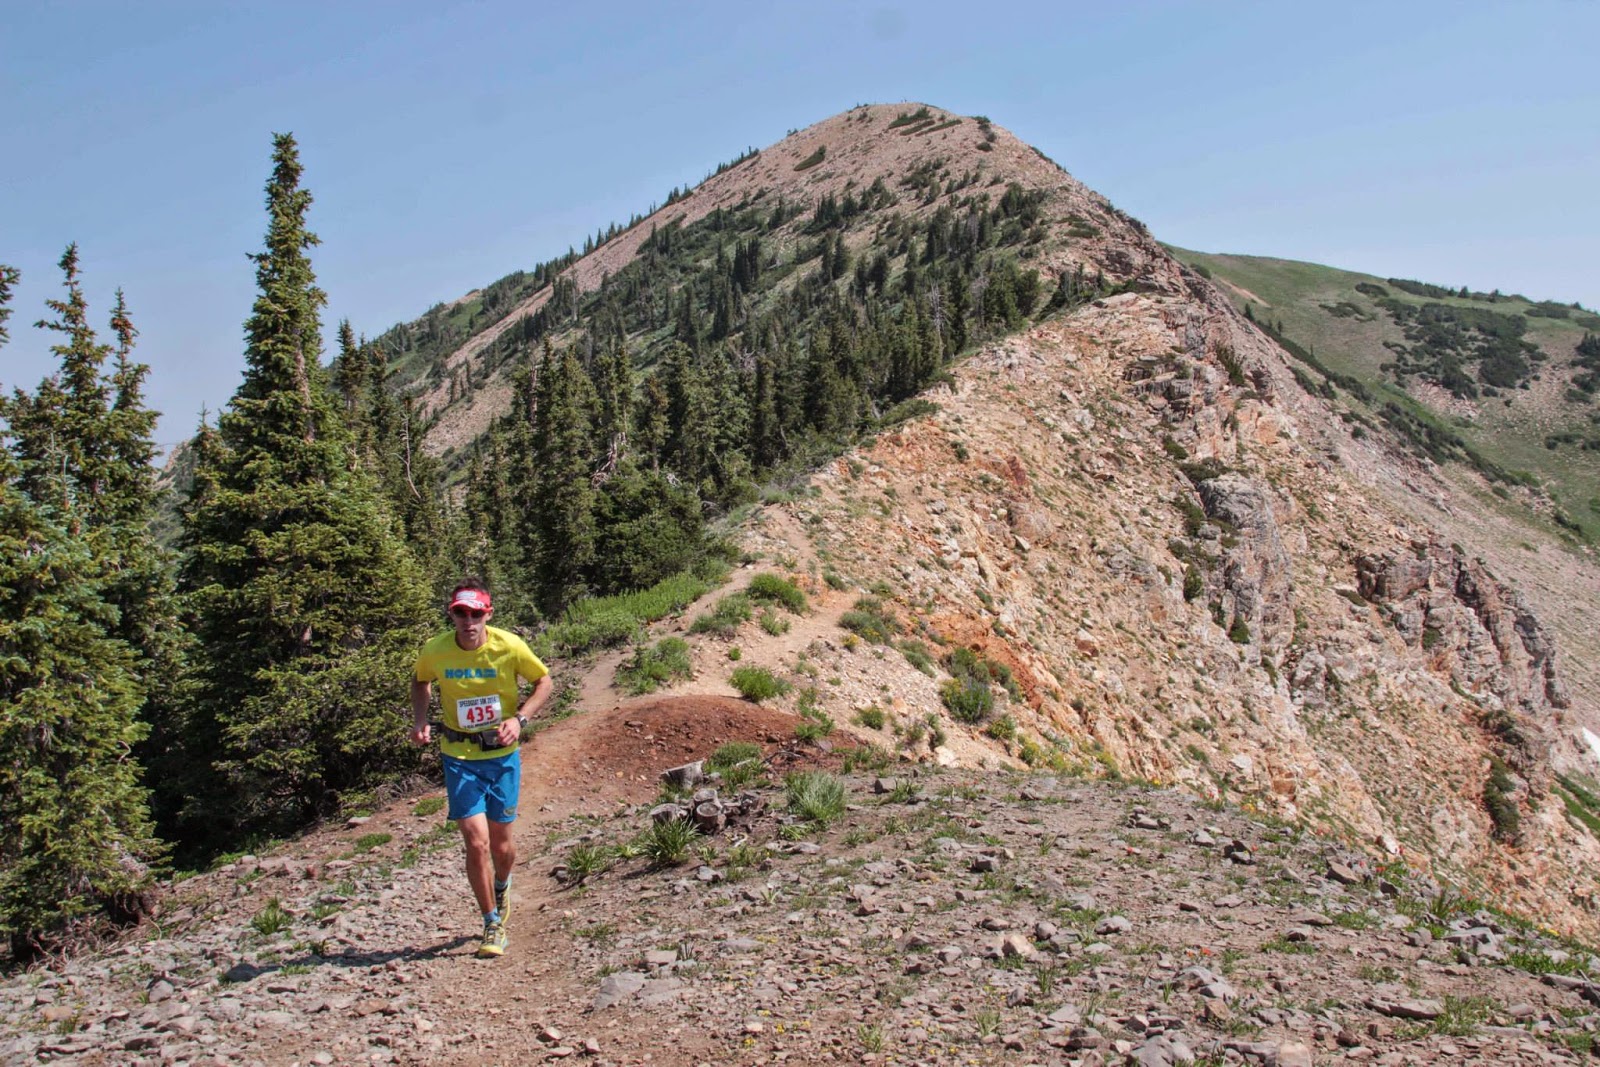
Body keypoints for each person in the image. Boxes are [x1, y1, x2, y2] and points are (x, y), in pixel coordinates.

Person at [410, 578, 553, 958]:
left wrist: (519, 720)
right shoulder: (436, 650)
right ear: (452, 614)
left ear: (488, 614)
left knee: (502, 845)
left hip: (501, 756)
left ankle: (502, 884)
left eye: (476, 613)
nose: (468, 620)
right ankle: (491, 922)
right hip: (458, 755)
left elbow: (544, 681)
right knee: (476, 842)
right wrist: (420, 720)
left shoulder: (508, 646)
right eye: (461, 613)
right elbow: (421, 680)